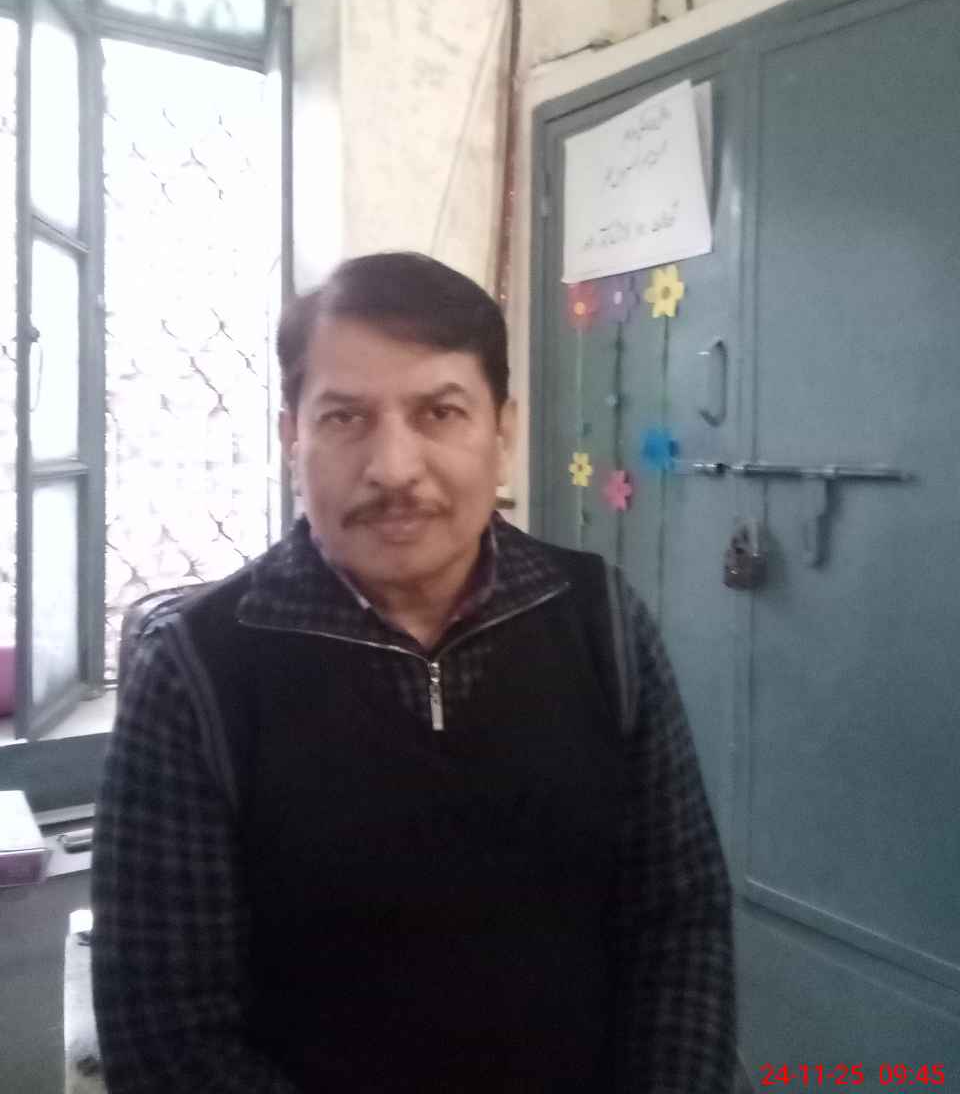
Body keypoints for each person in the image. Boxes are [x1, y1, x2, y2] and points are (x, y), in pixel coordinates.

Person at [92, 252, 735, 1093]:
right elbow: (166, 1032)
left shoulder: (600, 621)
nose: (393, 468)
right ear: (291, 439)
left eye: (440, 412)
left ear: (502, 433)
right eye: (344, 418)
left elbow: (679, 919)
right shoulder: (195, 672)